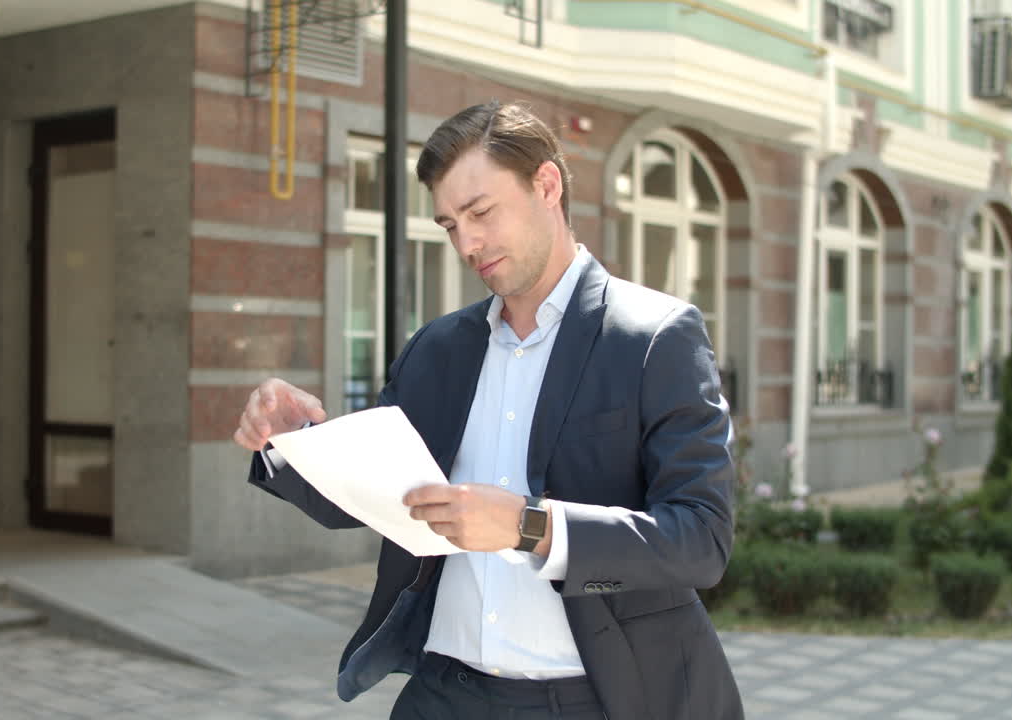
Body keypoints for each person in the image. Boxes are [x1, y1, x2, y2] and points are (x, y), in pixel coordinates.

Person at [234, 101, 742, 720]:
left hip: (591, 697)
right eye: (450, 225)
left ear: (546, 184)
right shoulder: (436, 349)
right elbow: (374, 501)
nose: (467, 243)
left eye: (480, 212)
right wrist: (293, 446)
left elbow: (700, 541)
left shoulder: (655, 337)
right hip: (443, 695)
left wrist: (530, 526)